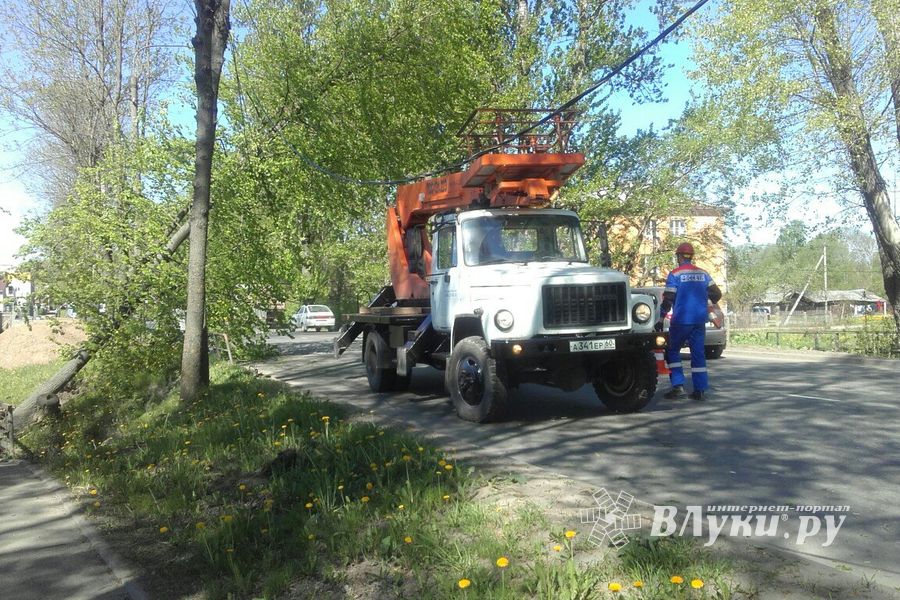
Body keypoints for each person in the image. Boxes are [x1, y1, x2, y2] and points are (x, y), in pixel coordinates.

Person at [655, 242, 722, 401]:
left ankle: (678, 387)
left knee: (672, 351)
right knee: (698, 354)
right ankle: (700, 390)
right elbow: (716, 294)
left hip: (681, 320)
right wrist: (704, 301)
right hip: (699, 320)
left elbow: (668, 299)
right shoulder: (704, 274)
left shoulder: (675, 274)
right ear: (691, 256)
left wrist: (661, 318)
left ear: (679, 256)